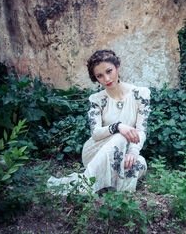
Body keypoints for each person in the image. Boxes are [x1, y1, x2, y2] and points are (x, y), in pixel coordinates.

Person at [47, 50, 150, 194]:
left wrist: (133, 152)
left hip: (124, 151)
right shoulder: (96, 99)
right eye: (99, 76)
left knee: (140, 164)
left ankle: (109, 186)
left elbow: (141, 130)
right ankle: (87, 185)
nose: (106, 78)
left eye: (109, 71)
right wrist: (118, 126)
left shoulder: (140, 94)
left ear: (117, 67)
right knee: (120, 136)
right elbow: (95, 133)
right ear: (96, 78)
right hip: (96, 151)